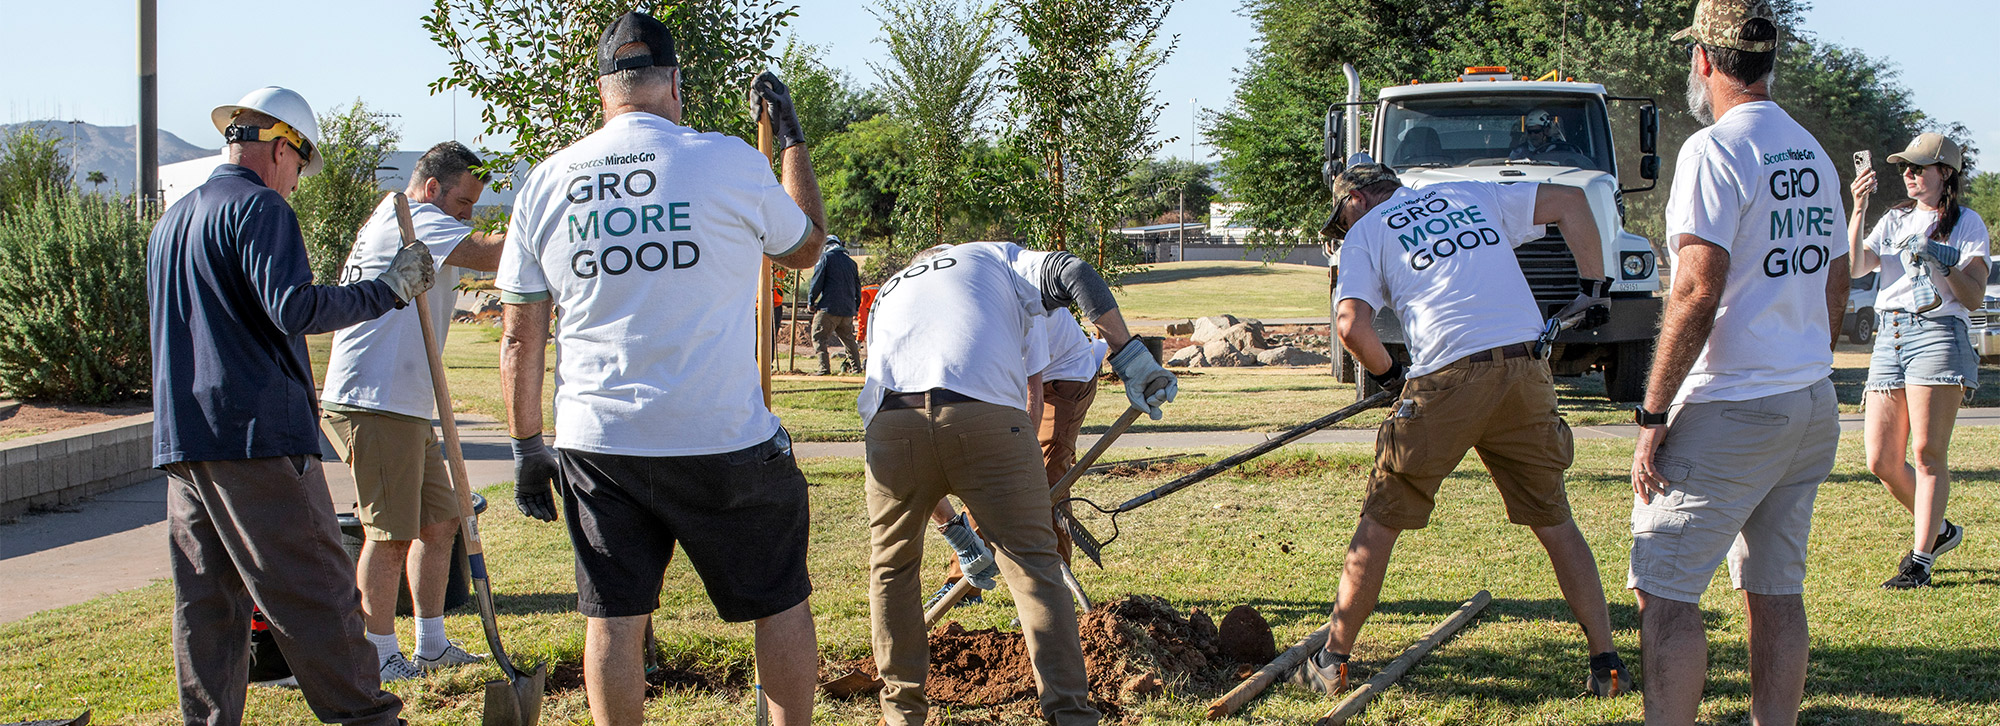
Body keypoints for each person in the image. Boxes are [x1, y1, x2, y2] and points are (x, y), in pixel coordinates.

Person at [493, 12, 826, 726]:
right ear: (675, 83)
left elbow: (521, 337)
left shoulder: (547, 183)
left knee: (614, 616)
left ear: (604, 92)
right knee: (779, 601)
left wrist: (527, 448)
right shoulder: (731, 160)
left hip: (599, 441)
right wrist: (791, 139)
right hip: (722, 435)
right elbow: (805, 249)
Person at [1292, 157, 1630, 698]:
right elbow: (1572, 201)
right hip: (1525, 370)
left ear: (1354, 201)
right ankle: (1606, 665)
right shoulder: (1467, 194)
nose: (1346, 229)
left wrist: (1391, 374)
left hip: (1447, 377)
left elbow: (1351, 325)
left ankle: (1332, 661)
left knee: (1382, 517)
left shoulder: (1366, 234)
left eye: (1344, 218)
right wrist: (1594, 288)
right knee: (1555, 520)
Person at [149, 86, 433, 726]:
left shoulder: (173, 220)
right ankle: (368, 717)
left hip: (187, 440)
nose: (298, 184)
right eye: (300, 168)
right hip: (258, 438)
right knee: (317, 590)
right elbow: (295, 308)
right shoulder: (261, 209)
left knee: (207, 602)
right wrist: (385, 289)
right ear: (282, 148)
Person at [1629, 1, 1848, 722]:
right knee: (1776, 590)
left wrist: (1652, 414)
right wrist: (1809, 353)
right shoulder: (1809, 149)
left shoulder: (1713, 149)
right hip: (1808, 403)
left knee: (1664, 590)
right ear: (1766, 60)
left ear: (1703, 61)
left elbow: (1694, 286)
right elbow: (1836, 275)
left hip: (1734, 406)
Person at [860, 241, 1176, 726]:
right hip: (986, 416)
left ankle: (901, 715)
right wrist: (1130, 355)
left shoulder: (888, 294)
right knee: (1034, 567)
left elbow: (909, 431)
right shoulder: (995, 258)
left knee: (893, 568)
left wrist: (957, 531)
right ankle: (1069, 715)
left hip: (890, 424)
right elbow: (1073, 272)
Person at [319, 141, 507, 680]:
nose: (469, 216)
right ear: (431, 189)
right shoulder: (413, 218)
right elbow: (491, 253)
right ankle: (376, 654)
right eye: (465, 203)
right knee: (389, 533)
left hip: (403, 404)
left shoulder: (415, 217)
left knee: (441, 519)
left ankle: (432, 644)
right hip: (372, 401)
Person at [1847, 132, 1990, 588]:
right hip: (1890, 334)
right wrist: (1858, 209)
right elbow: (1855, 267)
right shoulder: (1893, 218)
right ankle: (1941, 530)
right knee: (1881, 460)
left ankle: (1921, 560)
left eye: (1917, 167)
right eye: (1904, 168)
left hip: (1937, 333)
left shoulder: (1967, 224)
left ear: (1944, 173)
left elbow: (1972, 297)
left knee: (1927, 453)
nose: (1907, 174)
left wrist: (1942, 262)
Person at [926, 314, 1109, 604]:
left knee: (1045, 482)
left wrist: (1016, 456)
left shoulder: (1013, 312)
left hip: (1066, 377)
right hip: (1015, 377)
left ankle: (1052, 593)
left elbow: (1031, 394)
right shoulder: (955, 326)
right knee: (987, 474)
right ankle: (962, 585)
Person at [809, 233, 863, 375]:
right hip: (847, 309)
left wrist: (811, 301)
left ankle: (823, 368)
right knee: (849, 339)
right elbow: (858, 288)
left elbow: (817, 282)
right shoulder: (851, 263)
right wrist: (855, 307)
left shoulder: (825, 258)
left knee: (819, 336)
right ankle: (857, 368)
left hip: (829, 307)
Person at [1508, 109, 1583, 161]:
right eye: (1529, 131)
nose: (1533, 135)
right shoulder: (1519, 152)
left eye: (1536, 131)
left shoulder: (1564, 150)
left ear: (1546, 130)